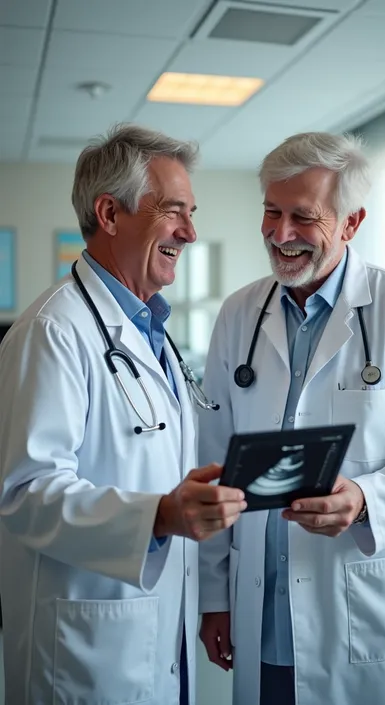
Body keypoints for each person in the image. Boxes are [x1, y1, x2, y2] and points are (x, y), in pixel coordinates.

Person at [198, 132, 385, 705]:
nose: (280, 233)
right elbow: (213, 460)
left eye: (304, 216)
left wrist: (365, 499)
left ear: (351, 222)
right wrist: (212, 594)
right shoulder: (239, 313)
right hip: (259, 609)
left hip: (360, 605)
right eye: (271, 211)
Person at [0, 124, 246, 705]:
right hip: (85, 652)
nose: (189, 231)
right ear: (110, 214)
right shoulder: (53, 332)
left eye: (192, 213)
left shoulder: (150, 330)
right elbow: (25, 493)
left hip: (155, 630)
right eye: (174, 212)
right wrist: (159, 515)